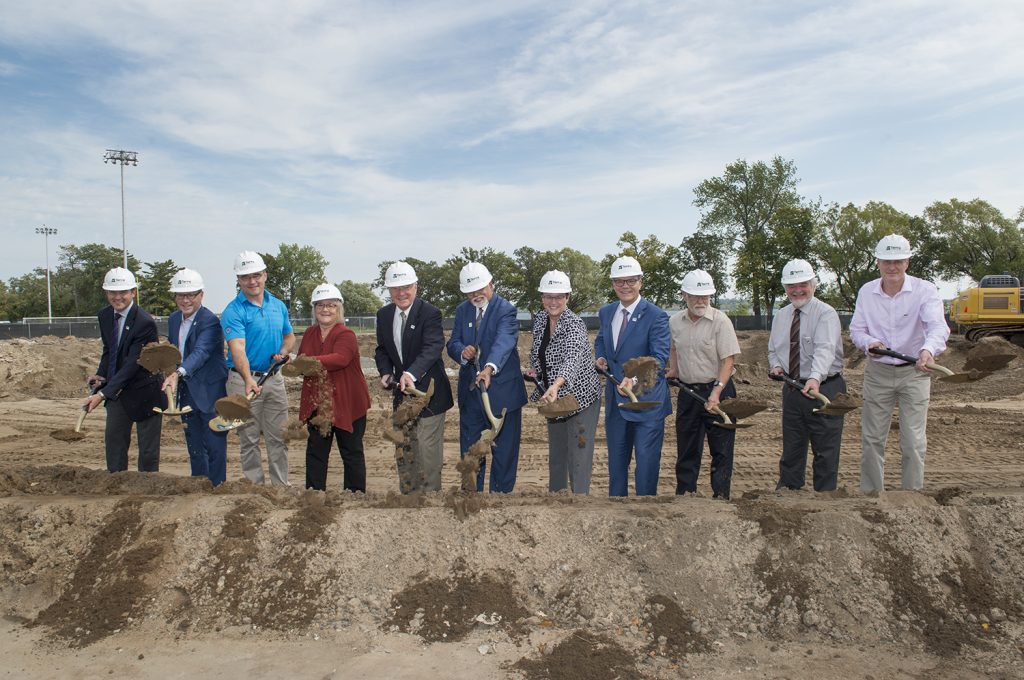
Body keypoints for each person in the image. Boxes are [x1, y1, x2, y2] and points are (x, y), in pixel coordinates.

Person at [850, 234, 950, 493]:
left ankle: (911, 498)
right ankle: (872, 496)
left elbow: (937, 326)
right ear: (878, 263)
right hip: (878, 372)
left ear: (907, 262)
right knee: (872, 438)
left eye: (898, 261)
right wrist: (869, 342)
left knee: (913, 440)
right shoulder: (867, 292)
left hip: (915, 372)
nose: (892, 267)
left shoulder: (924, 290)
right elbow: (857, 329)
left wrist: (928, 350)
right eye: (886, 261)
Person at [446, 262, 528, 492]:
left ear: (491, 284)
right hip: (472, 396)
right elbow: (452, 343)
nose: (476, 295)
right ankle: (470, 497)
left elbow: (504, 341)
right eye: (470, 292)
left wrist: (489, 368)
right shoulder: (463, 311)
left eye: (480, 289)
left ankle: (500, 498)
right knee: (471, 450)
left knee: (504, 453)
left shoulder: (506, 310)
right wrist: (462, 351)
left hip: (503, 396)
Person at [594, 256, 672, 496]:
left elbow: (658, 357)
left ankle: (644, 508)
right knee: (617, 460)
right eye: (619, 281)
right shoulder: (607, 312)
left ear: (641, 282)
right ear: (613, 284)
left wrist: (634, 380)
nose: (625, 286)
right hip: (616, 400)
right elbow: (601, 340)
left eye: (630, 280)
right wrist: (601, 357)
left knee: (646, 461)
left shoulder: (656, 315)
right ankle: (617, 505)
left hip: (646, 401)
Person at [375, 261, 454, 493]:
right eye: (396, 288)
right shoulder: (384, 314)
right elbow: (382, 349)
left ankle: (430, 498)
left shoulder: (429, 313)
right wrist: (386, 371)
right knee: (405, 446)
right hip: (403, 395)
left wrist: (410, 373)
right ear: (389, 291)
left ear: (416, 286)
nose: (402, 293)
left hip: (429, 393)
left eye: (406, 287)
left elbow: (433, 346)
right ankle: (409, 497)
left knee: (427, 449)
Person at [768, 259, 846, 492]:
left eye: (803, 284)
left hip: (825, 388)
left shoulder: (826, 314)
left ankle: (825, 497)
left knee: (825, 449)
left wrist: (815, 378)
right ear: (785, 288)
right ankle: (789, 493)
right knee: (792, 447)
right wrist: (776, 366)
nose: (797, 290)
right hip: (792, 388)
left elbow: (825, 349)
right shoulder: (782, 315)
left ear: (814, 284)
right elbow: (774, 349)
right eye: (791, 286)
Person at [220, 250, 295, 486]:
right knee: (249, 438)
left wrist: (283, 352)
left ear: (264, 275)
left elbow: (289, 336)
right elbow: (237, 349)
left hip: (273, 379)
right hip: (243, 381)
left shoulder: (278, 305)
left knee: (278, 437)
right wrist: (247, 379)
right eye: (245, 277)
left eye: (256, 275)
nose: (252, 281)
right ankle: (255, 487)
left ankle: (280, 487)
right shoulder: (234, 310)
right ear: (239, 281)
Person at [666, 269, 741, 499]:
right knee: (687, 449)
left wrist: (716, 392)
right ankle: (686, 495)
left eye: (705, 296)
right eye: (695, 296)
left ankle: (720, 497)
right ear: (684, 295)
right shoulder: (675, 322)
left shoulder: (720, 321)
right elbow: (674, 348)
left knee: (721, 450)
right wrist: (674, 370)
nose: (701, 301)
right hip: (689, 392)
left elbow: (728, 361)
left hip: (718, 390)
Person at [528, 270, 603, 494]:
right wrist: (535, 369)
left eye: (559, 296)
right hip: (554, 396)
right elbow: (538, 350)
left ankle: (580, 501)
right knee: (557, 451)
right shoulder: (541, 319)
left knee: (578, 452)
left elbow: (573, 357)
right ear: (542, 298)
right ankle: (557, 498)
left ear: (567, 298)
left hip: (579, 397)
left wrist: (557, 384)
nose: (553, 302)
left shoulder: (575, 324)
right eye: (548, 296)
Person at [83, 267, 163, 473]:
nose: (117, 297)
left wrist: (102, 394)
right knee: (115, 444)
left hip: (145, 391)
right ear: (106, 293)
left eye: (123, 292)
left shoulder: (145, 322)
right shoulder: (105, 316)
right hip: (118, 390)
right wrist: (102, 374)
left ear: (133, 292)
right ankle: (115, 489)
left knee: (147, 452)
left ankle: (148, 492)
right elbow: (110, 350)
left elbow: (133, 364)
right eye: (112, 292)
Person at [297, 284, 371, 492]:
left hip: (348, 401)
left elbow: (340, 359)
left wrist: (306, 362)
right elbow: (302, 361)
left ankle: (355, 494)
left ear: (339, 309)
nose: (325, 310)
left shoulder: (346, 334)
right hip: (318, 402)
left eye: (331, 305)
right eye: (320, 305)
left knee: (351, 450)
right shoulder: (310, 333)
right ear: (314, 309)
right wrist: (294, 363)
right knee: (316, 450)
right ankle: (314, 492)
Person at [163, 268, 229, 486]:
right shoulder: (174, 320)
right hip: (187, 391)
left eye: (191, 294)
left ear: (201, 295)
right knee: (194, 443)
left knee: (214, 445)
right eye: (181, 295)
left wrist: (179, 372)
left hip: (210, 391)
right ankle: (199, 486)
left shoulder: (210, 321)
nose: (186, 300)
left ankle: (217, 487)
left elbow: (200, 352)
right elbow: (176, 352)